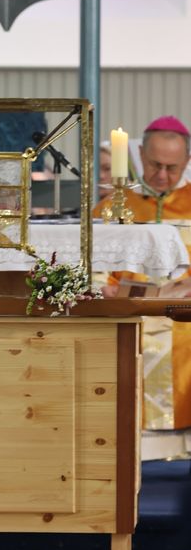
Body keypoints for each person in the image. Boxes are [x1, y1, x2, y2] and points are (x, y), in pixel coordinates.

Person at [94, 115, 191, 460]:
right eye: (154, 165)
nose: (162, 176)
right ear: (138, 156)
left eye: (172, 167)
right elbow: (95, 271)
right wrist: (103, 287)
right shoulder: (112, 208)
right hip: (129, 316)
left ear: (187, 162)